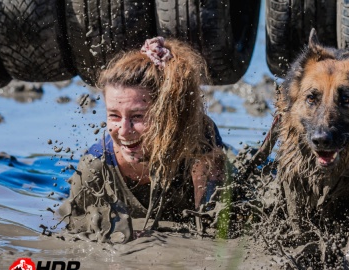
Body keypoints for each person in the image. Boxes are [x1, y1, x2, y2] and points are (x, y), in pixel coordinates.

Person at [58, 37, 225, 243]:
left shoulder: (200, 140)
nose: (124, 131)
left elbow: (213, 230)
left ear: (169, 116)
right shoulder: (95, 167)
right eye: (114, 116)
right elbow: (73, 237)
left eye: (138, 116)